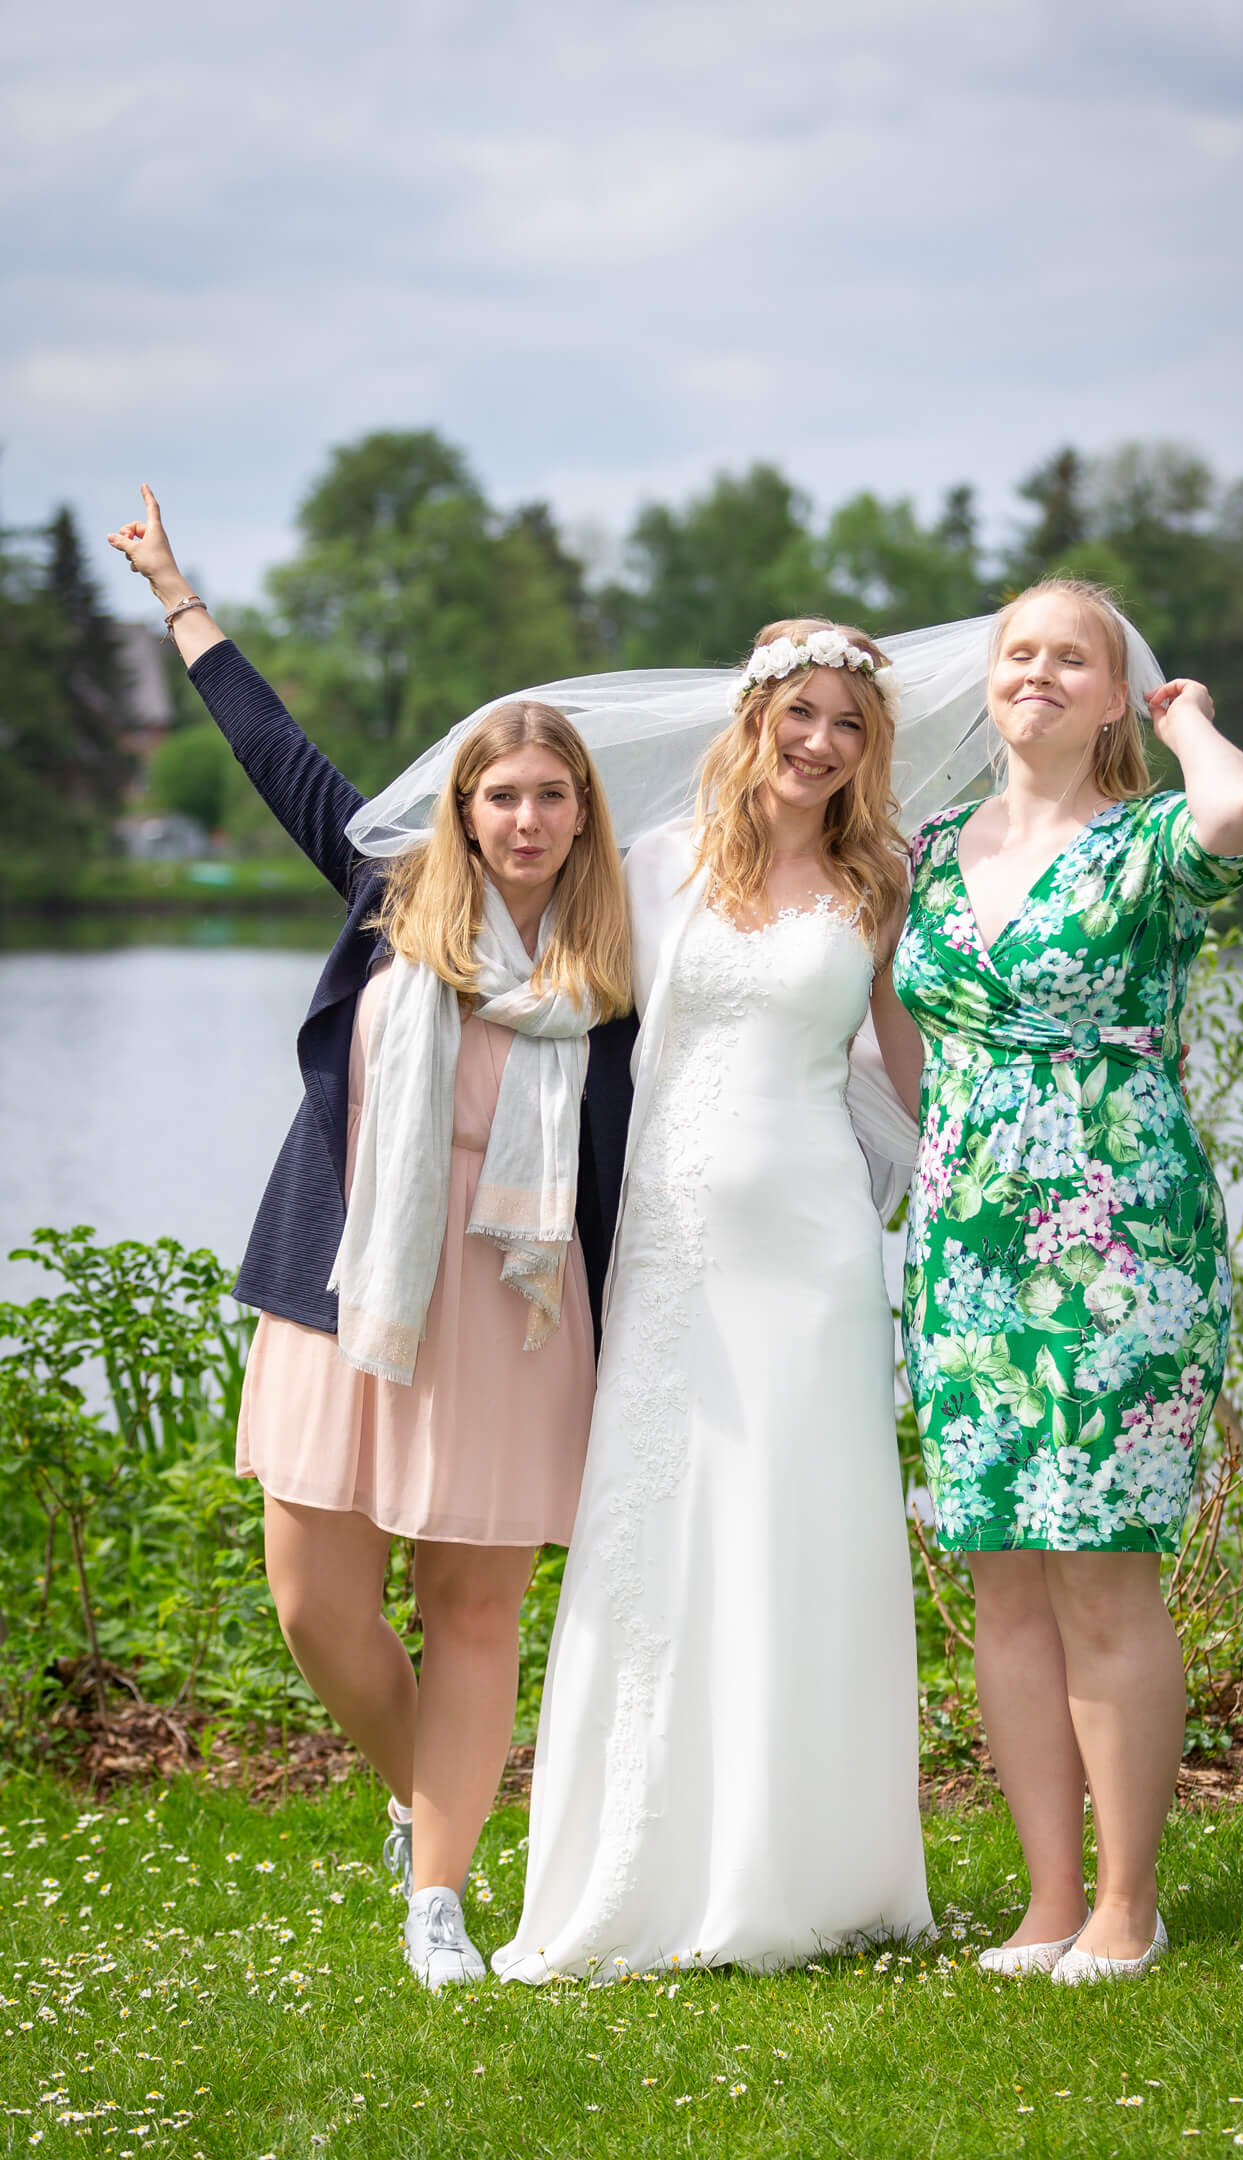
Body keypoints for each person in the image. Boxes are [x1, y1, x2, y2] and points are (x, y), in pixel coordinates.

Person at [105, 486, 637, 1990]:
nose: (526, 819)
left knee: (471, 1611)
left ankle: (442, 1897)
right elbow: (279, 756)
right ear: (462, 811)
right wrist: (179, 598)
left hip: (518, 1310)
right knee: (312, 1598)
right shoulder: (392, 901)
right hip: (352, 1290)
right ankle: (421, 1798)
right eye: (501, 796)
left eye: (550, 796)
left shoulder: (611, 974)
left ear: (581, 813)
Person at [487, 620, 935, 1982]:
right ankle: (647, 1860)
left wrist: (946, 1171)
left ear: (870, 750)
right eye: (802, 713)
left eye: (848, 725)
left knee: (808, 1529)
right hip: (676, 1244)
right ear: (754, 718)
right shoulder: (662, 865)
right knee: (668, 1523)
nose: (821, 743)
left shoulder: (880, 881)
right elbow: (563, 1002)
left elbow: (900, 1056)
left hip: (813, 1250)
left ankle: (814, 1865)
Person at [894, 577, 1243, 1982]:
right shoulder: (931, 849)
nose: (1040, 673)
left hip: (1121, 1239)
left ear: (1116, 694)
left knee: (1102, 1568)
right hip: (970, 1245)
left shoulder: (1149, 846)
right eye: (1019, 652)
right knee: (1002, 1570)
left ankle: (1130, 1903)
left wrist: (1188, 727)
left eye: (1076, 658)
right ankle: (1049, 1899)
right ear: (985, 681)